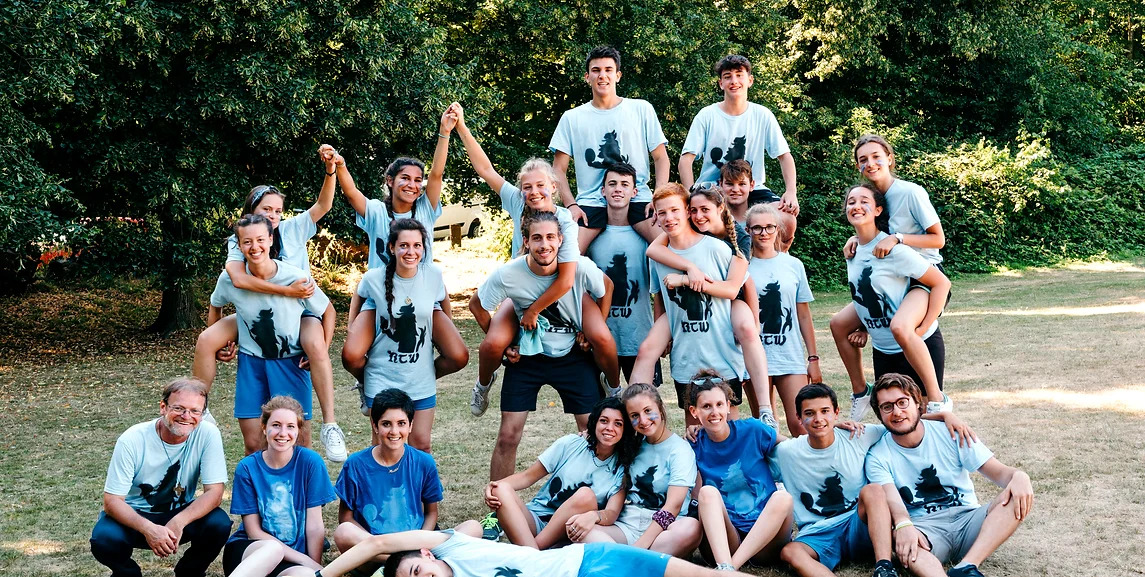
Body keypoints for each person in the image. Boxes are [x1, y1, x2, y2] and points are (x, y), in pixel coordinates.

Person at [452, 104, 620, 413]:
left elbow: (567, 279)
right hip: (524, 283)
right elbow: (485, 169)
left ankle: (612, 385)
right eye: (527, 187)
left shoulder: (565, 221)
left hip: (562, 286)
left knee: (600, 336)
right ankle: (484, 383)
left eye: (541, 185)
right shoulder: (518, 204)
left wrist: (532, 313)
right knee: (492, 344)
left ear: (553, 188)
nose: (533, 191)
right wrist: (462, 126)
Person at [192, 158, 347, 462]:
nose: (274, 215)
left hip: (301, 311)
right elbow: (235, 281)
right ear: (250, 214)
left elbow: (323, 205)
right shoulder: (240, 243)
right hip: (258, 311)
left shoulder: (290, 231)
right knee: (207, 340)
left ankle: (330, 424)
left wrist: (332, 171)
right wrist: (286, 292)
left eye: (278, 210)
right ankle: (199, 406)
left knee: (315, 345)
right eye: (266, 210)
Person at [327, 108, 468, 391]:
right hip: (382, 294)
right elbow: (352, 193)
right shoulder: (377, 212)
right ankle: (370, 384)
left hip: (421, 293)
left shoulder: (425, 210)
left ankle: (420, 378)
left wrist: (445, 132)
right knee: (352, 355)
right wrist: (340, 165)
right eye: (405, 178)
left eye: (417, 180)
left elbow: (438, 173)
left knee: (458, 354)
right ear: (390, 181)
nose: (412, 185)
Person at [771, 383, 975, 577]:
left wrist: (943, 415)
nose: (818, 419)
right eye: (809, 413)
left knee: (874, 490)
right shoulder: (786, 453)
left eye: (825, 411)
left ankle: (884, 566)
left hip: (859, 523)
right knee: (790, 552)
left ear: (836, 412)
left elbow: (901, 423)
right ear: (798, 417)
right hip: (819, 532)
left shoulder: (858, 435)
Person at [470, 211, 615, 481]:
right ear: (525, 241)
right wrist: (504, 346)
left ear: (561, 240)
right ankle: (497, 508)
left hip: (572, 356)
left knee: (592, 432)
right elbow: (476, 305)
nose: (544, 244)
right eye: (536, 238)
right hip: (528, 357)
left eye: (550, 237)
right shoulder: (509, 273)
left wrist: (594, 326)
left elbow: (606, 286)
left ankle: (594, 498)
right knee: (508, 435)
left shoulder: (578, 267)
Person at [866, 374, 1033, 577]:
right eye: (887, 407)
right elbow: (894, 502)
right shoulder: (877, 456)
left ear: (918, 404)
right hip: (926, 530)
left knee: (1016, 494)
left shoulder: (951, 432)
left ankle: (967, 567)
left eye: (903, 402)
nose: (897, 412)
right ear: (879, 414)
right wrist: (903, 525)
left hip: (969, 519)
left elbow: (999, 472)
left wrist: (1020, 476)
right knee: (903, 536)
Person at [835, 134, 950, 421]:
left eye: (876, 156)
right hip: (892, 278)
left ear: (889, 157)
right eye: (863, 160)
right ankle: (861, 390)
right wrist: (855, 237)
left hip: (923, 277)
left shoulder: (910, 192)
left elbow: (938, 240)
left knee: (902, 327)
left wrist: (899, 238)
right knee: (839, 323)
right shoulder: (873, 196)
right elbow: (871, 232)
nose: (870, 163)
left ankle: (936, 399)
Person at [630, 184, 762, 426]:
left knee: (747, 331)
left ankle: (765, 409)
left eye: (675, 210)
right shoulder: (660, 253)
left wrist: (755, 321)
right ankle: (636, 413)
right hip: (684, 332)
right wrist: (689, 271)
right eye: (662, 213)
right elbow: (660, 293)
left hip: (730, 304)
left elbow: (742, 286)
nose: (669, 218)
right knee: (647, 350)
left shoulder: (728, 244)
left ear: (685, 212)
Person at [207, 214, 335, 455]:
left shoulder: (294, 276)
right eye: (247, 242)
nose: (254, 247)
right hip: (252, 364)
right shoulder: (229, 279)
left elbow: (328, 311)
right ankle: (257, 493)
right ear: (239, 244)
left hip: (290, 363)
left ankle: (300, 491)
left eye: (260, 240)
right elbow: (216, 305)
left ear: (270, 238)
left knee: (299, 445)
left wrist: (322, 351)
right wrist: (220, 344)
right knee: (254, 445)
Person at [91, 378, 231, 577]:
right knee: (104, 539)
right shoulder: (132, 439)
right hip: (135, 515)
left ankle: (190, 572)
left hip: (178, 513)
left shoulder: (208, 434)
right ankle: (127, 574)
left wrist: (179, 521)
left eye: (195, 411)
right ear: (163, 407)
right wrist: (149, 529)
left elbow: (215, 493)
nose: (186, 416)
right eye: (179, 408)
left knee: (219, 524)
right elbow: (112, 502)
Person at [342, 219, 460, 451]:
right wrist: (351, 325)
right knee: (384, 446)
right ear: (392, 248)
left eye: (417, 245)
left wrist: (447, 323)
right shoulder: (375, 278)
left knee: (421, 445)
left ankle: (420, 489)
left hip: (419, 379)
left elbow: (442, 296)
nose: (411, 251)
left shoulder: (433, 275)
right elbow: (358, 292)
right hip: (382, 376)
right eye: (404, 245)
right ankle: (365, 385)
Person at [550, 45, 669, 251]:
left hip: (637, 197)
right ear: (587, 77)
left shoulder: (641, 109)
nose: (602, 76)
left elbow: (661, 158)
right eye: (596, 70)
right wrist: (571, 205)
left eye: (608, 70)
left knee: (671, 246)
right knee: (565, 256)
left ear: (618, 75)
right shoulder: (572, 118)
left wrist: (658, 197)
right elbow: (558, 169)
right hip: (591, 203)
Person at [482, 397, 637, 550]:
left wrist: (594, 516)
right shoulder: (571, 443)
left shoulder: (623, 468)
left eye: (618, 424)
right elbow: (527, 476)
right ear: (595, 422)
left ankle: (531, 553)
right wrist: (494, 486)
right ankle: (535, 554)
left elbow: (612, 512)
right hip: (533, 521)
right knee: (500, 488)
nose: (610, 428)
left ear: (625, 431)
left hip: (566, 531)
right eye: (604, 421)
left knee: (585, 495)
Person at [314, 529, 759, 577]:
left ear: (426, 557)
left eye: (414, 574)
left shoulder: (449, 544)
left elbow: (373, 544)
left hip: (591, 561)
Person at [332, 389, 444, 576]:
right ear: (375, 426)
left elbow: (431, 513)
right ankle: (394, 564)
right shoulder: (356, 464)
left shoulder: (424, 462)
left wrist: (419, 546)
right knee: (343, 532)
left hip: (414, 547)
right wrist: (376, 546)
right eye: (386, 424)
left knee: (470, 529)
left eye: (401, 423)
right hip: (375, 551)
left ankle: (405, 565)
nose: (394, 431)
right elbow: (346, 518)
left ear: (410, 426)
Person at [688, 372, 793, 571]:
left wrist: (834, 429)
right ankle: (725, 565)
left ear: (728, 406)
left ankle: (728, 570)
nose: (714, 412)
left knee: (783, 498)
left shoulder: (753, 430)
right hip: (726, 539)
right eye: (706, 406)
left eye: (719, 404)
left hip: (766, 537)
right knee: (707, 493)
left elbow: (797, 447)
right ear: (694, 412)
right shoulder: (693, 444)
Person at [223, 396, 336, 577]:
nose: (283, 433)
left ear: (298, 430)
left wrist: (313, 566)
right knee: (273, 549)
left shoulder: (310, 462)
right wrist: (303, 559)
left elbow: (315, 525)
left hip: (292, 559)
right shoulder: (247, 468)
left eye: (290, 426)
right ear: (264, 427)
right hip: (251, 552)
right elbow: (253, 531)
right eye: (276, 425)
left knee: (305, 576)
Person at [584, 383, 700, 557]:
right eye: (634, 415)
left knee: (691, 528)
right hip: (628, 526)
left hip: (664, 531)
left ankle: (627, 560)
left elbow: (673, 506)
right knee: (583, 531)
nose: (643, 420)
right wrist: (587, 435)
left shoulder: (680, 450)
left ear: (660, 408)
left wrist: (639, 547)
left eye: (648, 411)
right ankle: (639, 564)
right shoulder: (632, 446)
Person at [680, 55, 799, 222]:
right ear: (721, 83)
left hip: (751, 188)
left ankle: (775, 250)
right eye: (727, 76)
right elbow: (686, 159)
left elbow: (785, 156)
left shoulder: (762, 115)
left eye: (739, 75)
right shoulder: (706, 116)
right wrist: (690, 194)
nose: (733, 81)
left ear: (750, 80)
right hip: (712, 188)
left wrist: (791, 192)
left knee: (787, 217)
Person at [583, 163, 662, 386]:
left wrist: (661, 333)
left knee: (646, 405)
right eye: (612, 184)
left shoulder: (648, 237)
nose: (618, 189)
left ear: (634, 192)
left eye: (625, 184)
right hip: (601, 336)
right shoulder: (590, 236)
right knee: (603, 408)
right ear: (603, 191)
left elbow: (659, 288)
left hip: (640, 337)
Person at [744, 203, 820, 435]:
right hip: (755, 358)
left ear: (778, 229)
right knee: (767, 427)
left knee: (801, 423)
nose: (763, 233)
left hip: (789, 355)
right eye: (757, 228)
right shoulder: (740, 265)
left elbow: (803, 314)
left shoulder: (793, 265)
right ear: (748, 231)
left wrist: (813, 357)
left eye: (769, 227)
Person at [721, 159, 796, 252]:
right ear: (721, 184)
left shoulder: (765, 224)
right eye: (729, 184)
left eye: (742, 184)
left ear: (752, 185)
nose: (736, 189)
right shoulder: (716, 222)